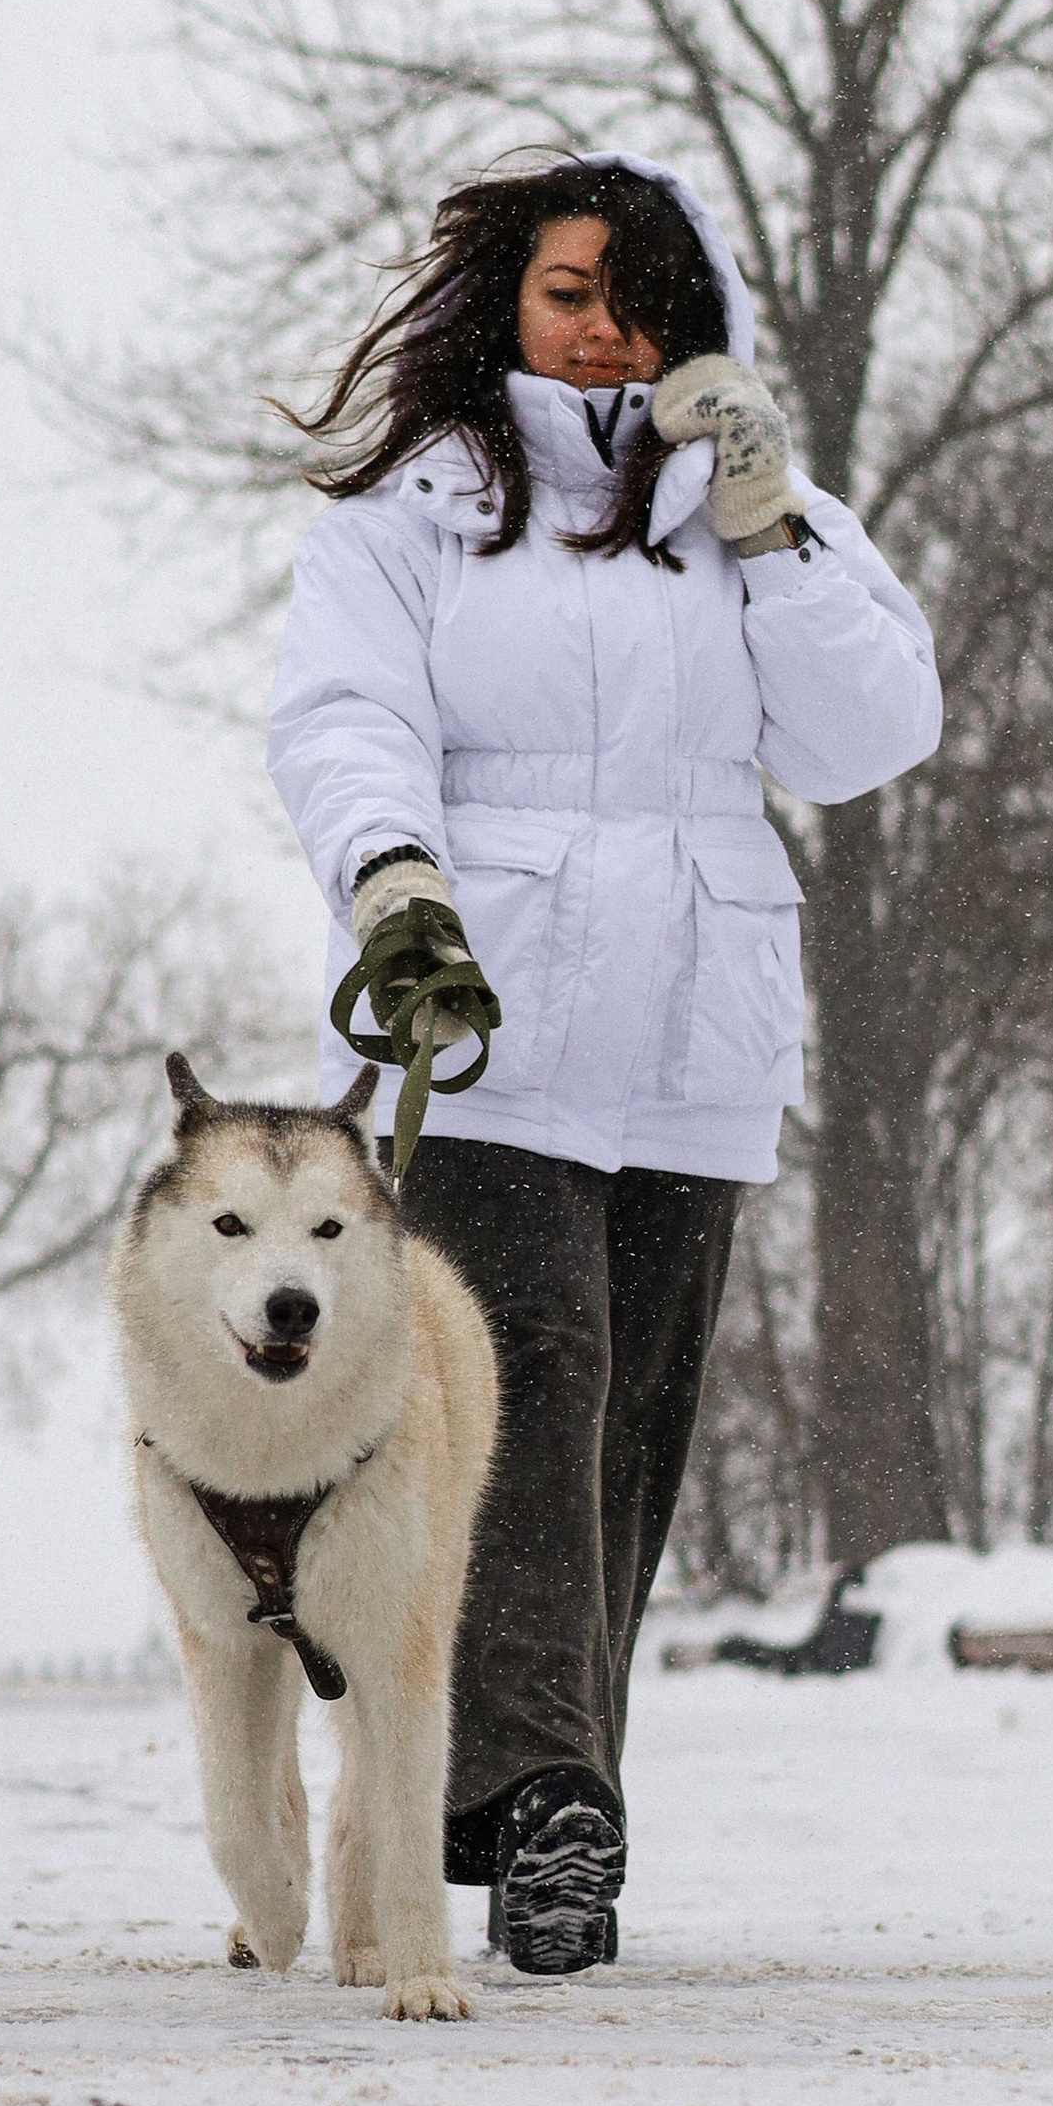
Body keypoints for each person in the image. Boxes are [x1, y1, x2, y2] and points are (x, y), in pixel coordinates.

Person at [266, 156, 941, 1973]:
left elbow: (872, 731)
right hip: (487, 1034)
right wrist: (392, 876)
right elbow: (342, 715)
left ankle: (520, 1804)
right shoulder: (418, 514)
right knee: (525, 1409)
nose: (604, 325)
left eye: (640, 294)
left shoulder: (750, 520)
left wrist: (773, 520)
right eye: (570, 290)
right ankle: (555, 1804)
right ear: (510, 305)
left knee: (626, 1436)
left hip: (694, 1049)